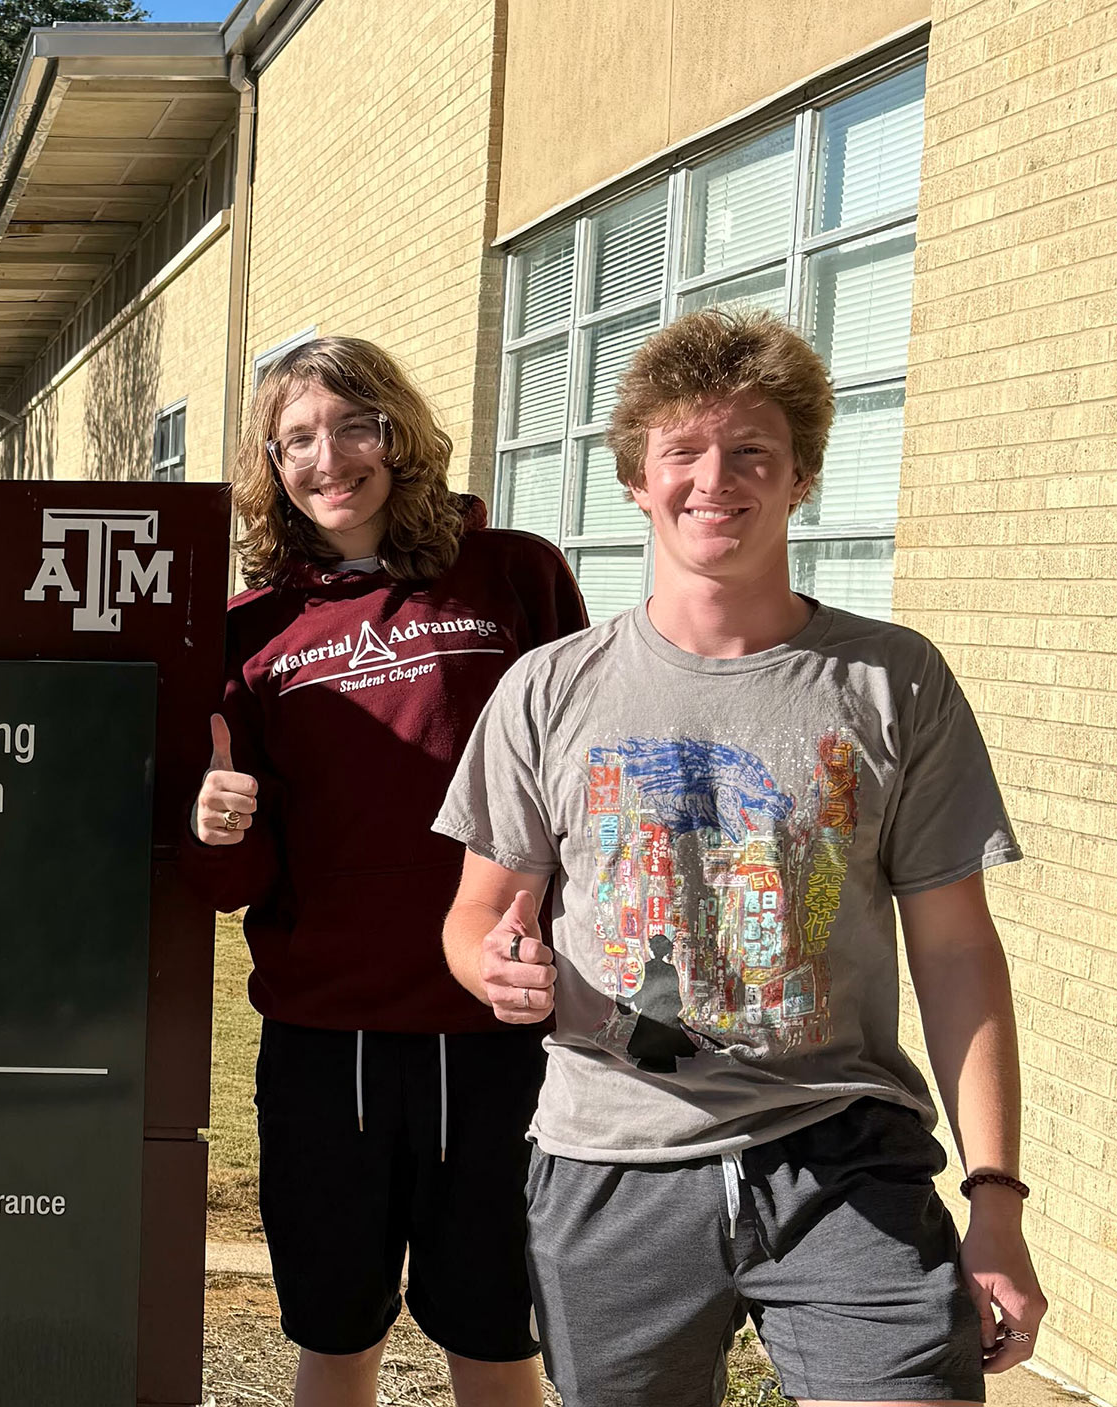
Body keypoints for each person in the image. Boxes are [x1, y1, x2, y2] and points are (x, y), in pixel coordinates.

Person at [435, 309, 1048, 1407]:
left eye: (751, 450)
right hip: (610, 1157)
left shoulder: (891, 680)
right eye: (683, 450)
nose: (715, 480)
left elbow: (956, 950)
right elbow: (477, 912)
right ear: (635, 477)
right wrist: (493, 962)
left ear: (801, 473)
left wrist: (994, 1195)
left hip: (841, 1146)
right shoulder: (547, 688)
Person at [186, 336, 587, 1407]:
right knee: (333, 1326)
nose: (330, 458)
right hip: (327, 1032)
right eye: (297, 439)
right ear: (269, 464)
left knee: (497, 1332)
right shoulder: (248, 633)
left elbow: (585, 777)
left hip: (496, 1029)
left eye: (353, 425)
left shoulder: (514, 574)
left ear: (398, 433)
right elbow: (235, 878)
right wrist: (214, 826)